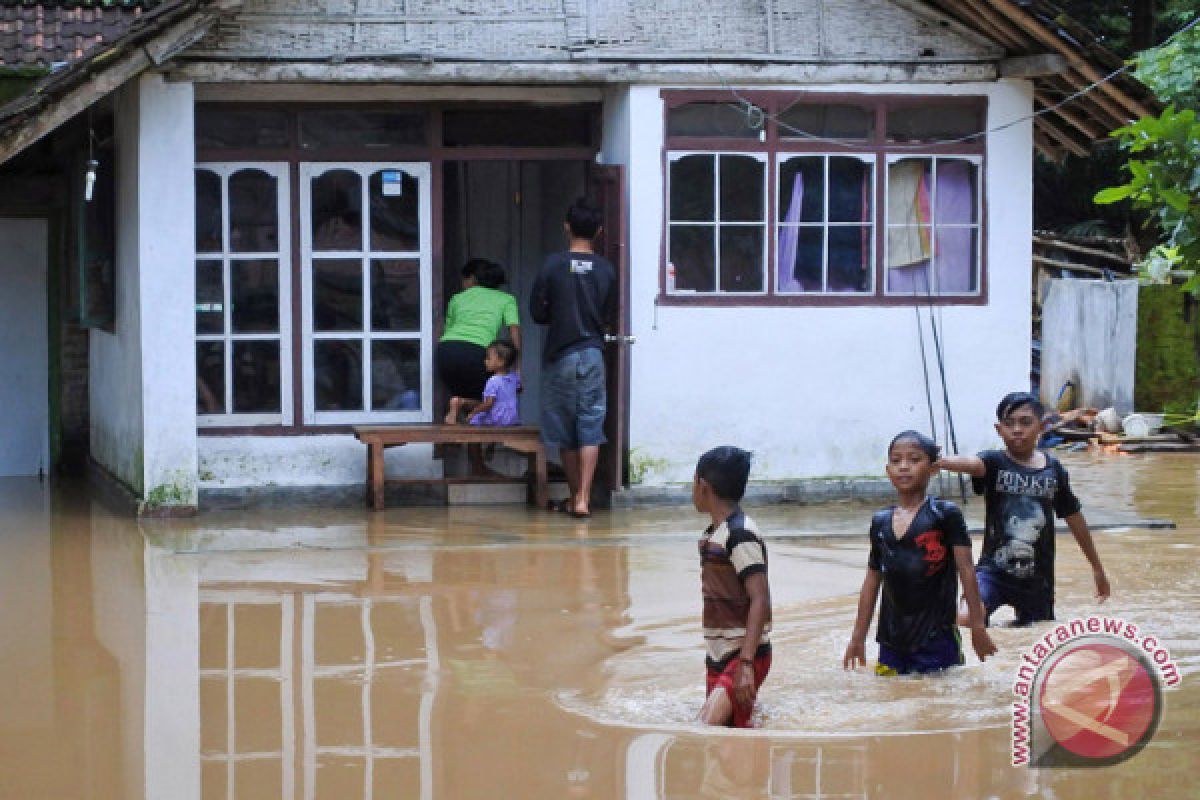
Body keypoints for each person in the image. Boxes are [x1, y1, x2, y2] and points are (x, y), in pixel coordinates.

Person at [937, 392, 1111, 627]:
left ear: (1041, 426)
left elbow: (1074, 519)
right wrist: (940, 462)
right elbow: (971, 464)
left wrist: (1097, 568)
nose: (1017, 429)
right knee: (967, 618)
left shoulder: (1054, 471)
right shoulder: (993, 462)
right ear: (999, 430)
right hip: (993, 571)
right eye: (1009, 424)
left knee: (1035, 635)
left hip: (1037, 580)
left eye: (1025, 422)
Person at [843, 431, 996, 675]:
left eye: (914, 460)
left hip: (937, 640)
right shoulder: (880, 521)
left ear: (934, 469)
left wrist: (978, 628)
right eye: (896, 460)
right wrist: (857, 638)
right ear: (887, 469)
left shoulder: (946, 515)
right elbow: (872, 581)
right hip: (891, 643)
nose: (904, 467)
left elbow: (966, 571)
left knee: (938, 701)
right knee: (892, 699)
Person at [529, 198, 616, 518]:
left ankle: (573, 493)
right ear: (599, 231)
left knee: (565, 431)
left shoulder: (552, 265)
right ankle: (584, 498)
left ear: (566, 227)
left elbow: (538, 312)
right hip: (592, 354)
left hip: (561, 355)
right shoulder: (607, 269)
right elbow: (608, 315)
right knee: (590, 425)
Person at [693, 446, 772, 728]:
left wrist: (747, 664)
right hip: (718, 654)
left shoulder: (740, 534)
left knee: (708, 727)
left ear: (703, 485)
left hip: (742, 655)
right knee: (731, 733)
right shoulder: (713, 535)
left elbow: (760, 599)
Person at [437, 259, 521, 406]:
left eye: (464, 280)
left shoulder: (457, 298)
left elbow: (448, 330)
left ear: (472, 279)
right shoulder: (506, 299)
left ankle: (459, 406)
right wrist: (517, 369)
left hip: (446, 351)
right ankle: (461, 403)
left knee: (467, 400)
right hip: (478, 353)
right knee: (493, 401)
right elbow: (514, 333)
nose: (463, 285)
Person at [445, 341, 521, 428]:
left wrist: (474, 412)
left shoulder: (493, 381)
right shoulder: (514, 377)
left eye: (488, 358)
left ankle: (458, 409)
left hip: (497, 419)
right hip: (511, 419)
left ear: (500, 362)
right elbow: (519, 388)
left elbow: (488, 404)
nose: (485, 361)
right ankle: (460, 402)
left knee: (475, 418)